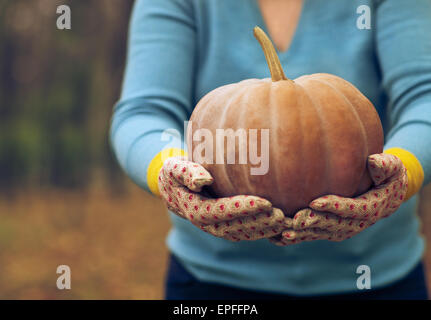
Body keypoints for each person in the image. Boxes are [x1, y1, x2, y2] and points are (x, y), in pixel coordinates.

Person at [110, 0, 431, 299]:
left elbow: (424, 97)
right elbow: (144, 112)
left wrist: (402, 171)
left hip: (377, 278)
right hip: (212, 283)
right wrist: (170, 173)